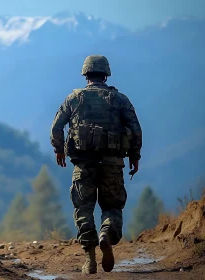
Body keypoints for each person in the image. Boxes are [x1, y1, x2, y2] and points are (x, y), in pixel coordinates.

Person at [50, 55, 143, 274]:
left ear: (85, 74)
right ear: (106, 74)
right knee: (112, 206)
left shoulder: (74, 98)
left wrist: (59, 149)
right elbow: (136, 129)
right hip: (112, 164)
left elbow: (57, 127)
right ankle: (106, 234)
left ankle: (90, 259)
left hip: (83, 165)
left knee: (83, 210)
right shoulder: (120, 99)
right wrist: (135, 156)